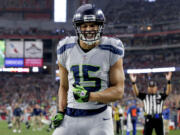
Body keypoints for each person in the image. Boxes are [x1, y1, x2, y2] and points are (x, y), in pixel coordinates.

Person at [52, 3, 125, 135]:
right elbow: (63, 86)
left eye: (92, 25)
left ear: (100, 26)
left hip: (100, 116)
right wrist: (61, 111)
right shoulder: (65, 47)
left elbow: (119, 91)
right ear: (78, 28)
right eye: (84, 26)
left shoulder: (111, 47)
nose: (89, 29)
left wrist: (90, 96)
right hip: (70, 115)